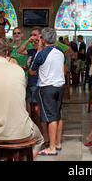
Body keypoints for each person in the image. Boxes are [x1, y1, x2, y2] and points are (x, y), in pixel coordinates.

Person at [29, 27, 66, 156]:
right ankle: (58, 143)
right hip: (60, 86)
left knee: (50, 118)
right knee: (58, 115)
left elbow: (32, 71)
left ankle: (51, 148)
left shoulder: (42, 53)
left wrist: (39, 49)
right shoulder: (60, 51)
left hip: (47, 88)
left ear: (43, 40)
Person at [16, 27, 47, 143]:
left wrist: (39, 42)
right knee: (29, 107)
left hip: (38, 82)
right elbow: (20, 51)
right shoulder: (33, 50)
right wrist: (28, 41)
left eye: (35, 35)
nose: (33, 37)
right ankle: (31, 131)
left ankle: (42, 133)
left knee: (37, 109)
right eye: (32, 35)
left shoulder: (43, 50)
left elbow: (40, 54)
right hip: (30, 81)